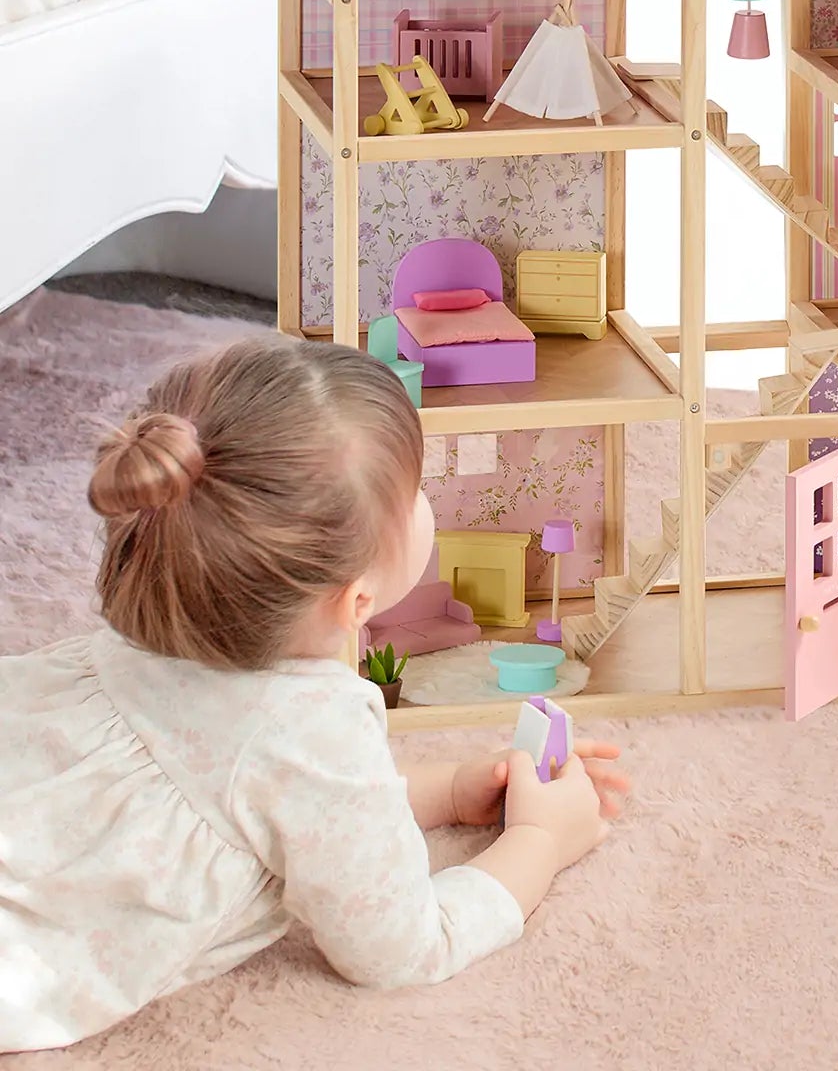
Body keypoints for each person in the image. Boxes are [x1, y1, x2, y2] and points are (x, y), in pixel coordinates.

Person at [0, 338, 630, 1051]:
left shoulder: (143, 633)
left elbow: (292, 805)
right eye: (416, 491)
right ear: (357, 599)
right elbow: (401, 949)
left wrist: (450, 793)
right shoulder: (312, 729)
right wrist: (538, 839)